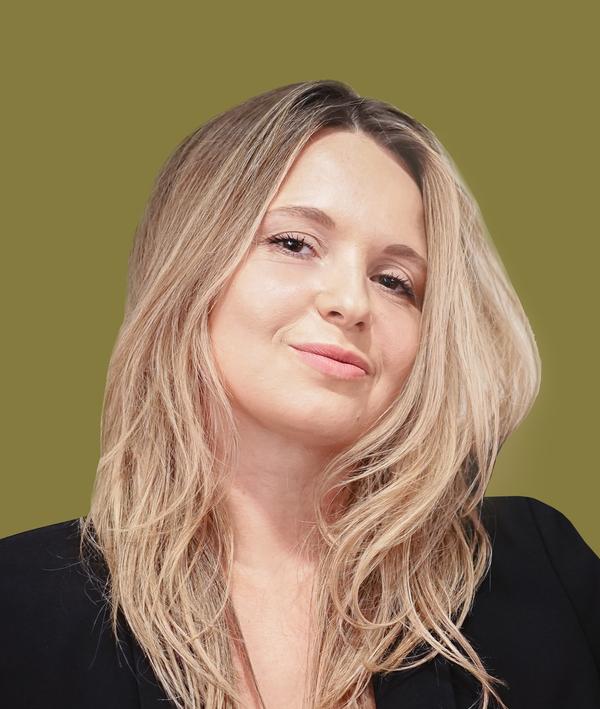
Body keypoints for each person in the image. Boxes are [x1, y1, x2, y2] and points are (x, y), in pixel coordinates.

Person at [1, 79, 599, 709]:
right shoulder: (21, 610)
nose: (350, 302)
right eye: (293, 243)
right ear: (190, 263)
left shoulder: (536, 574)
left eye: (396, 281)